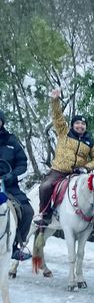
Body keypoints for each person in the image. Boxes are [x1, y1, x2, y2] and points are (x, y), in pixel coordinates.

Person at [34, 88, 94, 226]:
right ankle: (45, 214)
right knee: (45, 187)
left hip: (79, 173)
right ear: (72, 125)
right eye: (77, 123)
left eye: (83, 124)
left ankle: (93, 219)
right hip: (59, 171)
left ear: (86, 127)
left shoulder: (90, 141)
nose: (80, 125)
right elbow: (57, 116)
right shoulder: (64, 132)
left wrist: (86, 168)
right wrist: (55, 100)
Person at [0, 110, 34, 261]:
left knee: (27, 211)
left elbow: (22, 164)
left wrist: (12, 175)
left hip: (8, 186)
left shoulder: (12, 141)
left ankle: (15, 247)